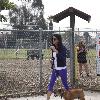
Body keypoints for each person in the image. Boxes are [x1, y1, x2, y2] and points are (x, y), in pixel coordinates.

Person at [47, 34, 69, 100]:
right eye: (52, 39)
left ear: (58, 40)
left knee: (65, 84)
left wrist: (56, 51)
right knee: (51, 84)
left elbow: (63, 58)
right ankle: (47, 98)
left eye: (54, 39)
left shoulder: (63, 48)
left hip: (62, 69)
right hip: (55, 69)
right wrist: (52, 61)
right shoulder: (53, 47)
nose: (53, 40)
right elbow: (55, 58)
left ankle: (70, 97)